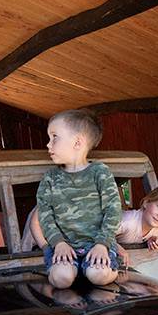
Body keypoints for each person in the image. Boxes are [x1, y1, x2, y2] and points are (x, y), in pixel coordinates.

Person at [36, 109, 121, 289]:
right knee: (62, 279)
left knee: (98, 275)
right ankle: (63, 269)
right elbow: (45, 215)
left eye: (54, 137)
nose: (48, 144)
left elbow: (113, 210)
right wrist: (58, 243)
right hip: (63, 247)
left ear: (77, 142)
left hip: (97, 245)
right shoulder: (50, 178)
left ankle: (110, 267)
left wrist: (102, 244)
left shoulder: (100, 172)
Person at [25, 186, 158, 267]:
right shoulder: (126, 222)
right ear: (146, 203)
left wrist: (152, 238)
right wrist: (119, 248)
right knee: (28, 247)